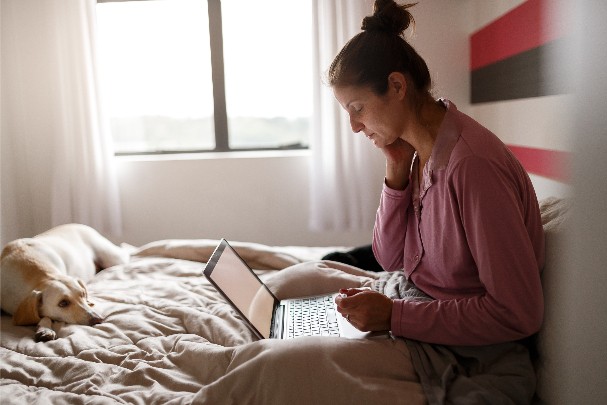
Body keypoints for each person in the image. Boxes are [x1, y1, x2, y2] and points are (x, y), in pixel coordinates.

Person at [332, 0, 545, 346]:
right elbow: (390, 259)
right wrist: (396, 172)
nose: (355, 127)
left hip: (465, 338)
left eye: (358, 109)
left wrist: (393, 315)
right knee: (301, 289)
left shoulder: (472, 167)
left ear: (398, 87)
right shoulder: (419, 152)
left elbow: (518, 312)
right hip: (415, 298)